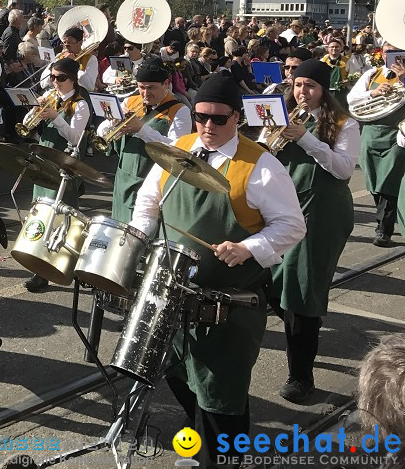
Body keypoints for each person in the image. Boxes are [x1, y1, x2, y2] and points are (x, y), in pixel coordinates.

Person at [131, 73, 304, 459]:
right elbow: (147, 203)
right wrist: (139, 240)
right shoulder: (178, 147)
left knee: (221, 393)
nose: (208, 126)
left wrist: (247, 248)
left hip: (228, 305)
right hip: (175, 294)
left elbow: (293, 225)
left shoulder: (261, 166)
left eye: (218, 119)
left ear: (237, 118)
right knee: (178, 373)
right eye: (201, 116)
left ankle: (225, 458)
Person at [257, 59, 358, 404]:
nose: (302, 92)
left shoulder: (344, 124)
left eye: (311, 86)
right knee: (267, 281)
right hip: (281, 208)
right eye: (298, 85)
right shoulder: (280, 115)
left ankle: (301, 377)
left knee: (302, 295)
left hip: (321, 214)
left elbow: (344, 171)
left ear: (324, 90)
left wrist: (306, 140)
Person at [24, 56, 91, 292]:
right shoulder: (52, 98)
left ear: (73, 79)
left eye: (61, 78)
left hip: (64, 165)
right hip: (44, 162)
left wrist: (55, 117)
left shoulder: (80, 104)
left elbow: (76, 137)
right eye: (52, 77)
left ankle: (56, 267)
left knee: (61, 220)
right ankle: (38, 266)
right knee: (41, 215)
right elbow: (27, 125)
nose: (55, 82)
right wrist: (35, 111)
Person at [100, 57, 191, 223]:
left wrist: (142, 130)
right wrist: (112, 122)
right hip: (123, 178)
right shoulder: (130, 101)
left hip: (151, 181)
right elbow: (102, 131)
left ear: (166, 83)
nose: (145, 93)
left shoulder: (180, 110)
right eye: (141, 87)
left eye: (151, 88)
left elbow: (178, 150)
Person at [347, 44, 405, 246]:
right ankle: (386, 217)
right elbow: (352, 99)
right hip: (371, 132)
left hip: (397, 134)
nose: (394, 57)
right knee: (373, 181)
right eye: (389, 52)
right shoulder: (372, 74)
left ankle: (383, 229)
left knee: (389, 180)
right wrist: (373, 93)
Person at [52, 26, 99, 92]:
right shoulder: (60, 56)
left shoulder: (91, 59)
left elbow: (89, 86)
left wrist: (73, 65)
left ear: (80, 43)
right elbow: (44, 83)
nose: (65, 47)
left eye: (69, 44)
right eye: (64, 43)